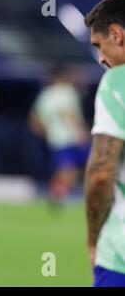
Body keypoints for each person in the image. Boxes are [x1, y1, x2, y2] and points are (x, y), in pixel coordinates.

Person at [84, 0, 125, 287]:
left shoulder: (116, 82)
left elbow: (101, 174)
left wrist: (93, 237)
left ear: (117, 34)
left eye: (99, 45)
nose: (100, 58)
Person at [29, 65, 90, 202]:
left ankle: (58, 192)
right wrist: (82, 131)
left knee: (68, 168)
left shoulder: (46, 94)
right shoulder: (68, 92)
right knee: (71, 169)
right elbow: (69, 113)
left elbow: (34, 119)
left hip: (55, 139)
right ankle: (57, 193)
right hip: (71, 137)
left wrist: (47, 133)